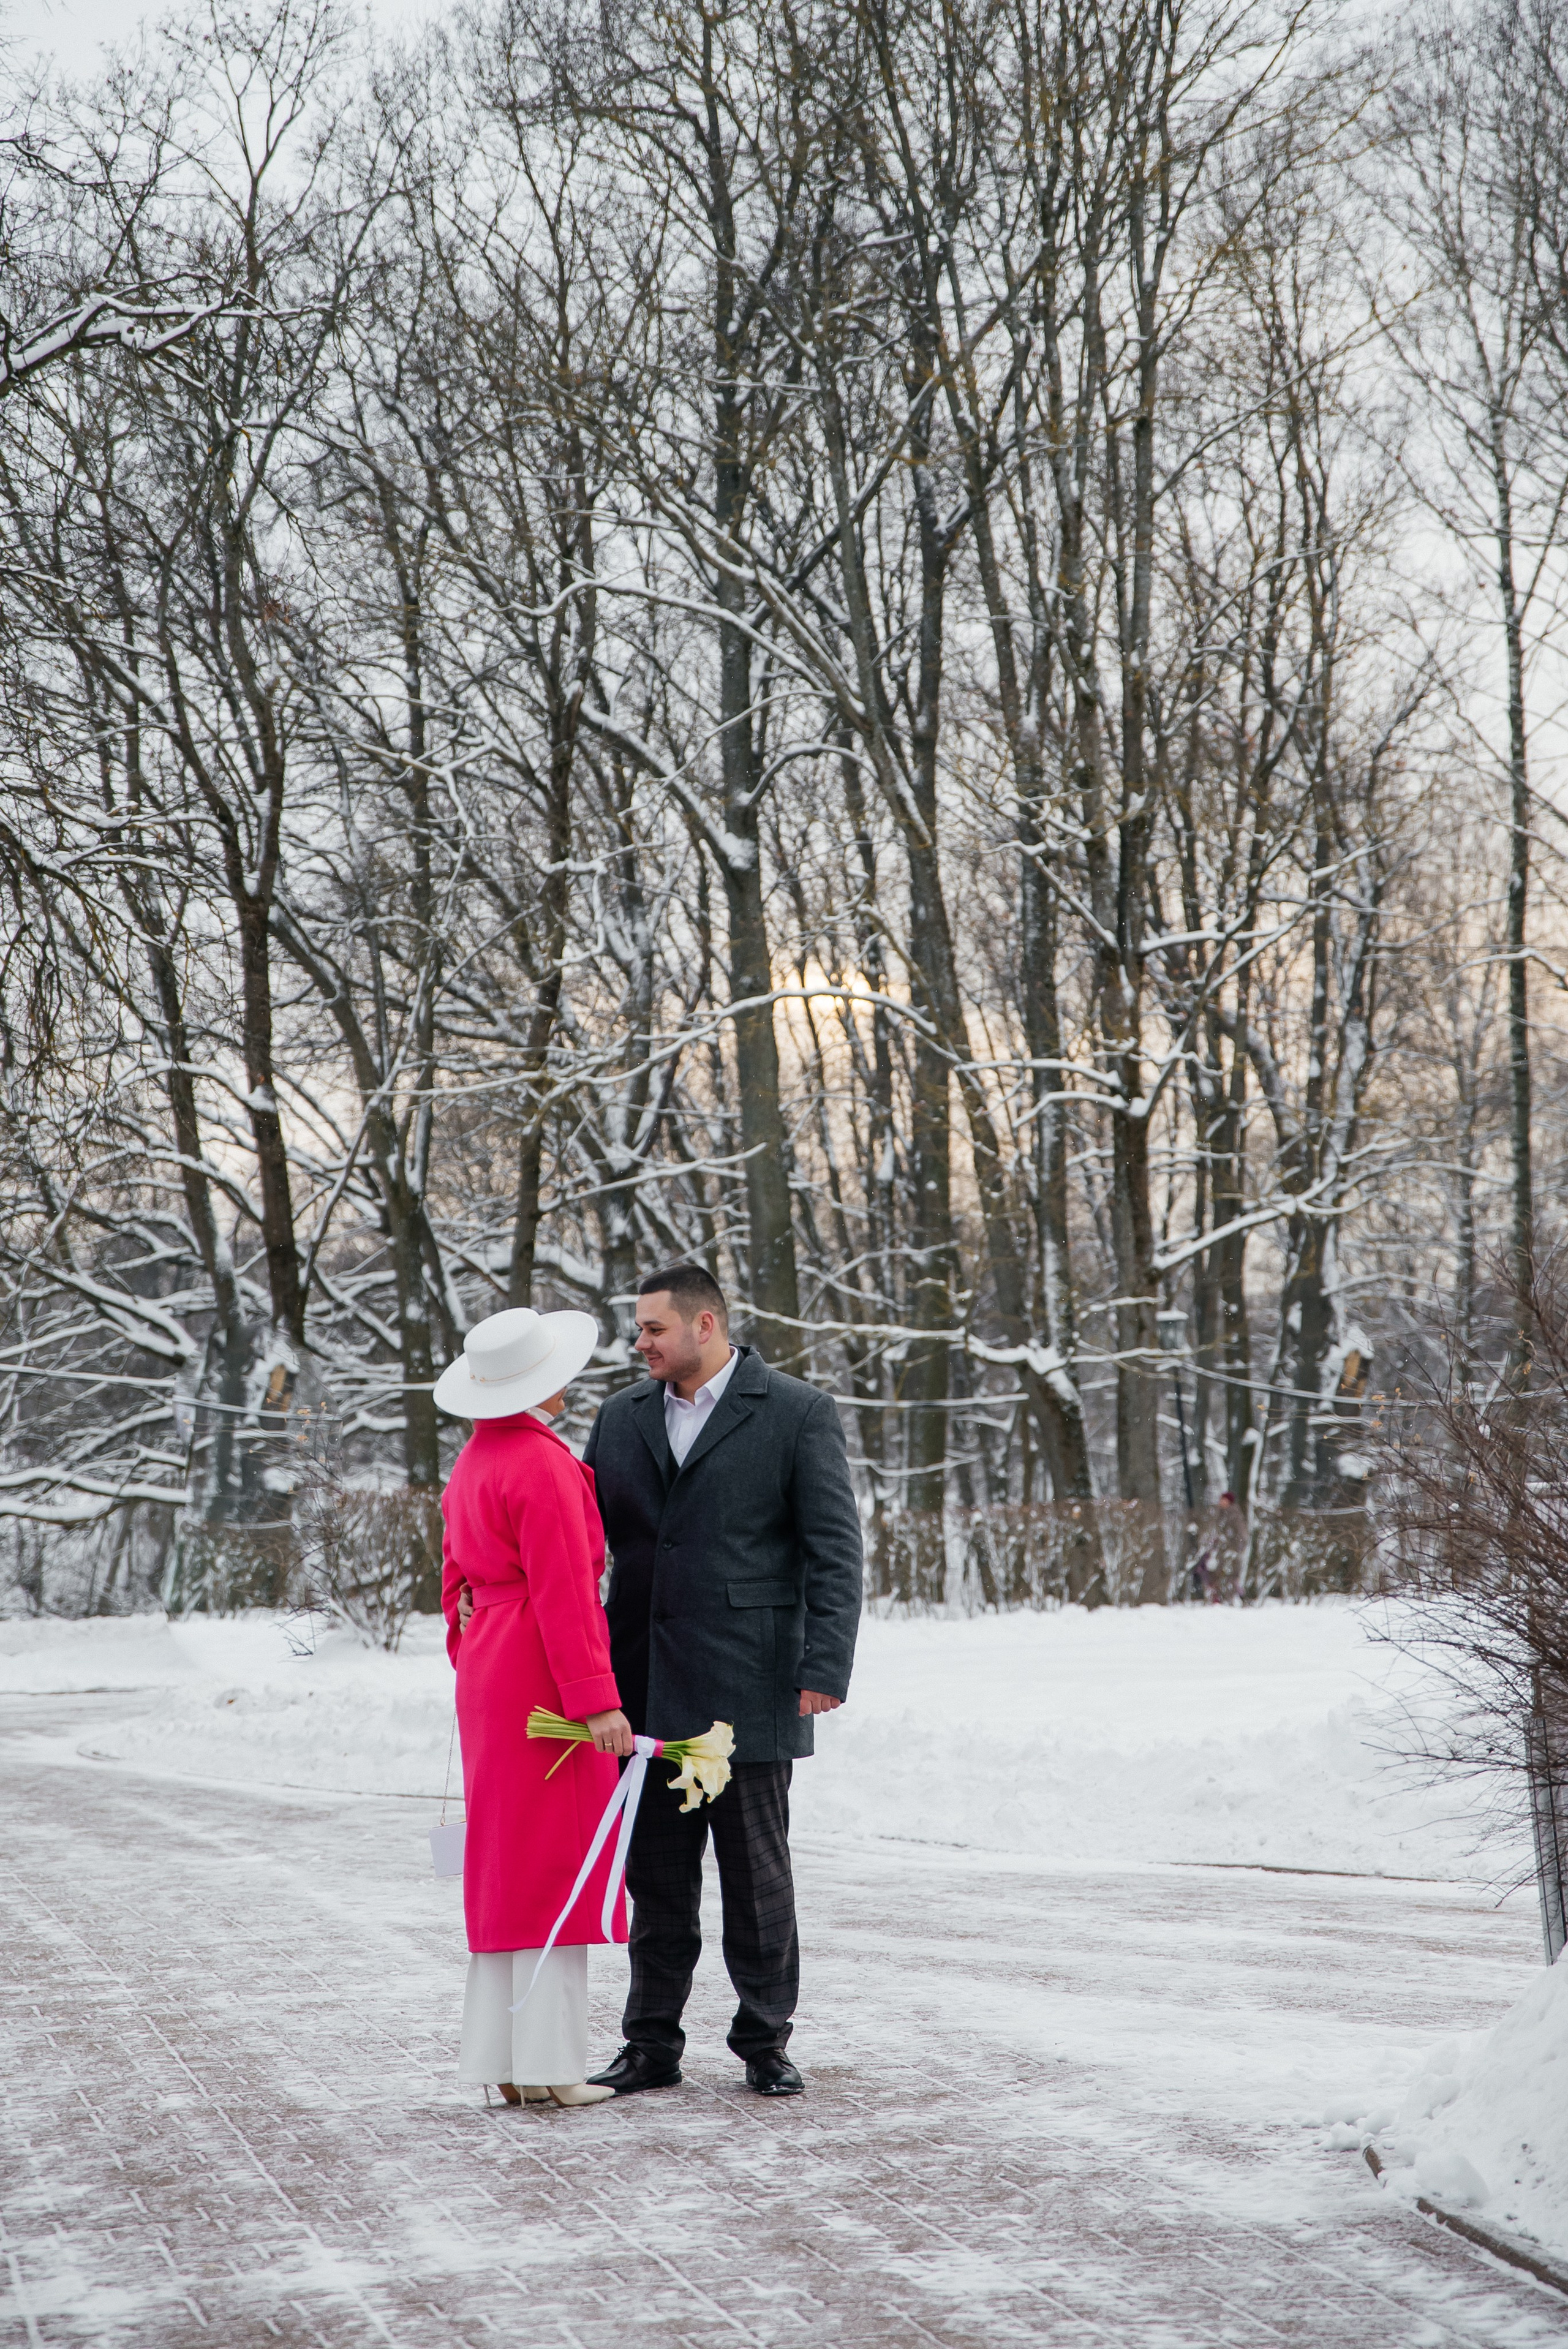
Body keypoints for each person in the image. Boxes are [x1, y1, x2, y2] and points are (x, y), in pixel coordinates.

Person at [582, 1263, 863, 2099]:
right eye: (638, 1330)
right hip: (646, 1690)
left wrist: (824, 1666)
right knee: (656, 1883)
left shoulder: (797, 1413)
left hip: (751, 1684)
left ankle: (765, 2040)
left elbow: (835, 1552)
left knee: (757, 1881)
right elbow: (585, 1551)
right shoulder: (620, 1418)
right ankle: (650, 2045)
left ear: (706, 1324)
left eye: (653, 1330)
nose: (640, 1344)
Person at [435, 1305, 635, 2110]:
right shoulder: (543, 1465)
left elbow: (453, 1592)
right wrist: (596, 1701)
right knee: (554, 1865)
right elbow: (566, 1594)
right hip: (541, 1676)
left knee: (504, 1870)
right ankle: (552, 2065)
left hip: (489, 1671)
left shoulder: (473, 1462)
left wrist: (477, 1653)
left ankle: (506, 2061)